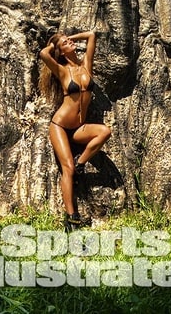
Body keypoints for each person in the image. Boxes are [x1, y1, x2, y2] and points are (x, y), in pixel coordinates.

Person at [39, 30, 111, 229]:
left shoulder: (85, 65)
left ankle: (81, 164)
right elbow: (44, 54)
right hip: (60, 126)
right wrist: (55, 44)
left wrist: (69, 38)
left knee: (105, 132)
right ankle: (72, 217)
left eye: (70, 41)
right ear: (61, 51)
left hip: (79, 127)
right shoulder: (62, 70)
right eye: (66, 43)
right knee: (67, 169)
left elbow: (91, 35)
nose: (70, 42)